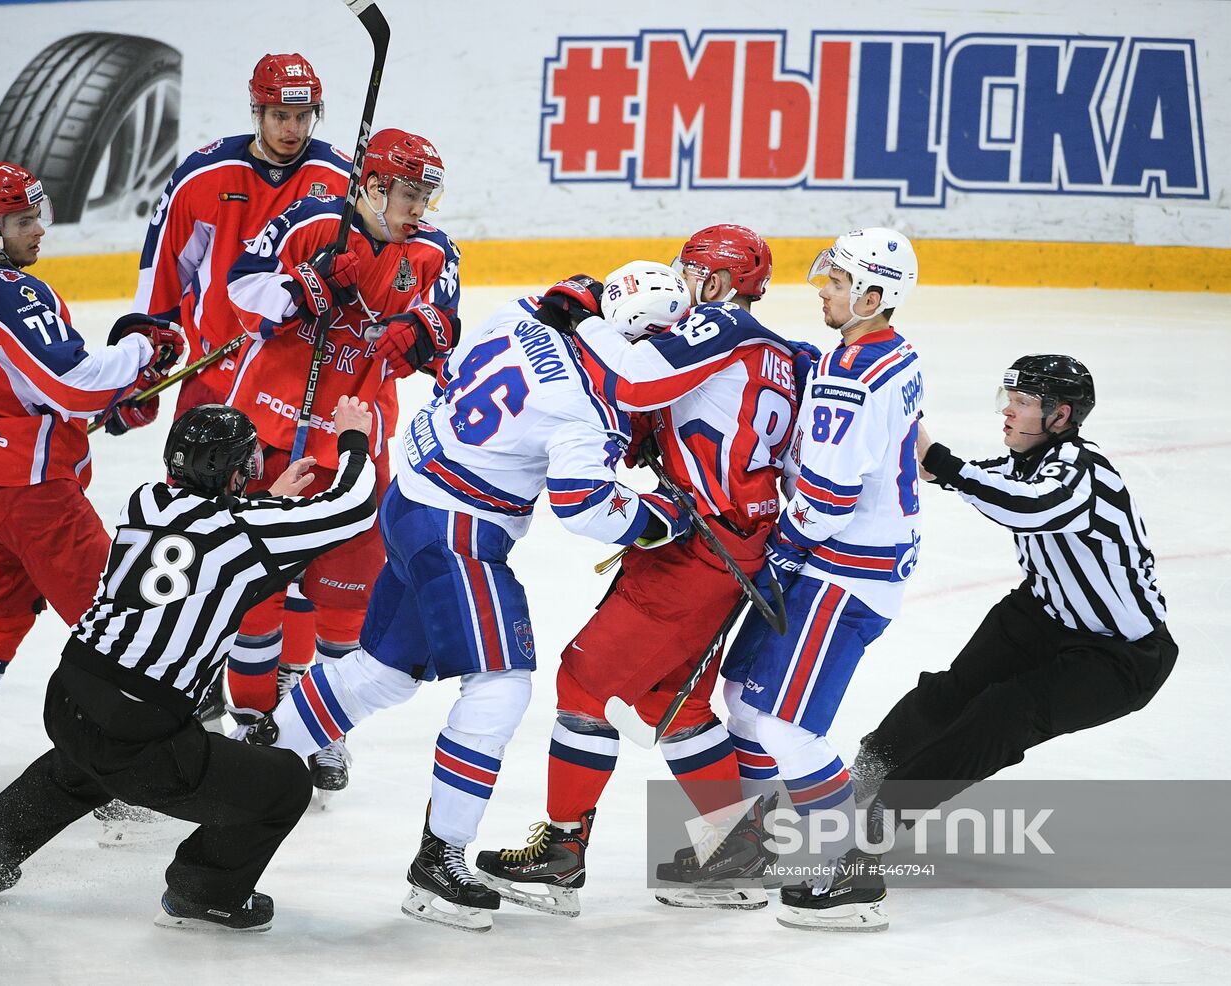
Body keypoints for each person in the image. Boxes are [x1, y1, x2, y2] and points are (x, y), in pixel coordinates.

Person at [250, 277, 693, 932]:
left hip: (408, 501)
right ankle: (441, 861)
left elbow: (452, 365)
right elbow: (585, 505)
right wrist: (663, 518)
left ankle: (246, 756)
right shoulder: (589, 409)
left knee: (379, 674)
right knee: (500, 688)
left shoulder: (524, 316)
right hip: (458, 534)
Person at [0, 396, 379, 933]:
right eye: (244, 466)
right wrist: (353, 439)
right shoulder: (247, 532)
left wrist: (266, 500)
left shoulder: (143, 503)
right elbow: (352, 507)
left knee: (81, 767)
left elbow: (214, 534)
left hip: (70, 693)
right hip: (141, 727)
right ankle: (205, 892)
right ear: (231, 473)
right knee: (283, 785)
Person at [475, 228, 806, 915]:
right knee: (668, 701)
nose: (683, 289)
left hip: (697, 548)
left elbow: (635, 379)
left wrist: (587, 317)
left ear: (714, 284)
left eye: (690, 276)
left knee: (585, 678)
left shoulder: (720, 323)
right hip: (732, 545)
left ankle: (561, 856)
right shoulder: (780, 353)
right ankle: (739, 853)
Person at [850, 355, 1178, 923]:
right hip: (1041, 614)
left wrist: (944, 462)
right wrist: (901, 423)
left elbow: (1027, 508)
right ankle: (859, 779)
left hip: (1119, 654)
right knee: (949, 694)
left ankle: (881, 821)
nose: (1008, 409)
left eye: (1024, 402)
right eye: (1013, 398)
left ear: (1060, 415)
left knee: (1004, 711)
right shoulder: (1024, 462)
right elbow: (951, 473)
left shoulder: (1081, 472)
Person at [0, 162, 182, 810]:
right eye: (23, 220)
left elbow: (24, 393)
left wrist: (110, 402)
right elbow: (73, 381)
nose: (39, 231)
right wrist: (143, 354)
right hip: (36, 496)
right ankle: (117, 766)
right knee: (111, 618)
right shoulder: (10, 292)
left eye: (38, 216)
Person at [220, 126, 460, 797]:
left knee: (344, 614)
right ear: (375, 185)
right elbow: (241, 293)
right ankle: (249, 723)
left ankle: (324, 733)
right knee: (256, 602)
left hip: (354, 446)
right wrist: (303, 288)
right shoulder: (312, 221)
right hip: (268, 434)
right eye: (410, 193)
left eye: (428, 195)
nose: (421, 207)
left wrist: (424, 336)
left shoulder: (434, 251)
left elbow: (445, 333)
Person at [716, 227, 924, 932]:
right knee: (745, 697)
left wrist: (785, 550)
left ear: (872, 296)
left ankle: (850, 872)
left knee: (783, 721)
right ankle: (755, 847)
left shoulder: (850, 374)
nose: (822, 290)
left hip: (844, 570)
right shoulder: (885, 352)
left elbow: (831, 499)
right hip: (853, 559)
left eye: (836, 283)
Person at [134, 52, 352, 722]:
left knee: (291, 543)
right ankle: (197, 671)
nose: (292, 128)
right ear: (255, 110)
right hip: (217, 382)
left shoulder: (339, 177)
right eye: (279, 114)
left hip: (297, 388)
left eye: (302, 115)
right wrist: (145, 353)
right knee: (204, 537)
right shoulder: (206, 175)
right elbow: (164, 272)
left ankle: (284, 688)